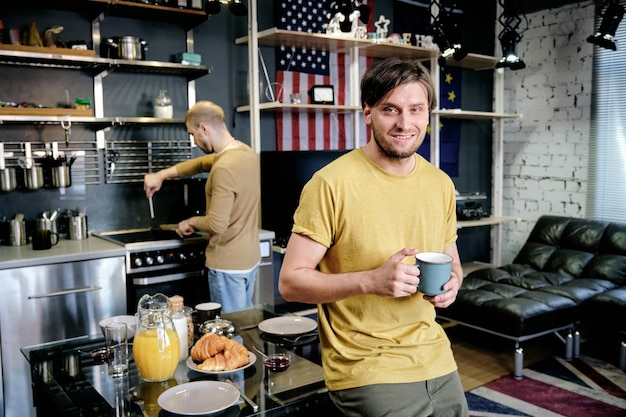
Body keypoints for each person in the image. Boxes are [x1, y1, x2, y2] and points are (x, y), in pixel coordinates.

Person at [278, 56, 469, 417]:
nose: (405, 123)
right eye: (390, 110)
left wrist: (453, 284)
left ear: (428, 113)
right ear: (367, 113)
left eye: (416, 109)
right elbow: (290, 282)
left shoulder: (440, 184)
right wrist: (371, 281)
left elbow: (452, 261)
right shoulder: (330, 184)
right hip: (364, 364)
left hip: (435, 354)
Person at [144, 100, 260, 313]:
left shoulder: (224, 168)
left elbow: (216, 223)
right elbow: (199, 164)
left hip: (227, 264)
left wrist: (190, 222)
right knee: (245, 324)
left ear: (204, 128)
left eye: (192, 134)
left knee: (228, 333)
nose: (194, 141)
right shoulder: (245, 153)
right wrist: (160, 175)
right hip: (249, 259)